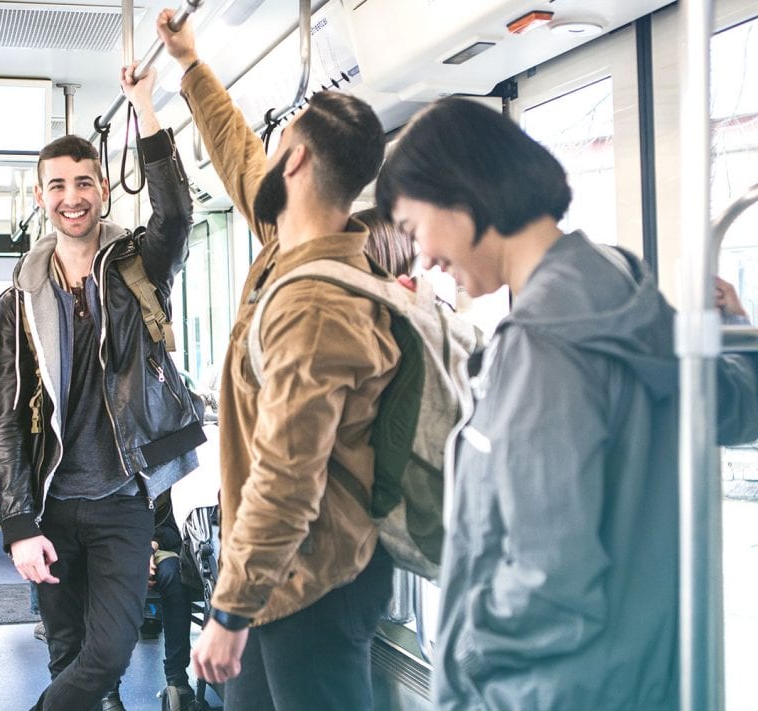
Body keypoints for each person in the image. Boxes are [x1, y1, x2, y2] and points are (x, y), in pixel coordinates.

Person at [374, 96, 758, 709]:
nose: (421, 257)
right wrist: (738, 337)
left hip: (549, 691)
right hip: (635, 676)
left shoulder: (540, 345)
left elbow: (548, 582)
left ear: (462, 193)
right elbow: (737, 406)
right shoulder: (625, 294)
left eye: (415, 229)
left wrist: (463, 659)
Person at [158, 13, 397, 710]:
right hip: (274, 575)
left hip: (313, 579)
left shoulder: (317, 304)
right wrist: (190, 64)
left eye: (280, 142)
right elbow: (236, 154)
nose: (266, 152)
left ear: (293, 162)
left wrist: (228, 612)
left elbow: (287, 475)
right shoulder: (286, 246)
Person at [0, 62, 203, 711]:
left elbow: (177, 209)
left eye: (83, 181)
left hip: (121, 499)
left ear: (104, 188)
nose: (71, 195)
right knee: (68, 656)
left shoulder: (138, 266)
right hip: (52, 502)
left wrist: (145, 105)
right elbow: (6, 417)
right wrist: (17, 523)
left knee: (108, 651)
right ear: (39, 196)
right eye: (57, 185)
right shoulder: (18, 300)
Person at [106, 489, 196, 711]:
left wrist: (151, 546)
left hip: (160, 546)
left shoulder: (167, 476)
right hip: (116, 547)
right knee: (115, 581)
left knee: (174, 576)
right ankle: (109, 688)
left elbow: (176, 527)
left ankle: (177, 678)